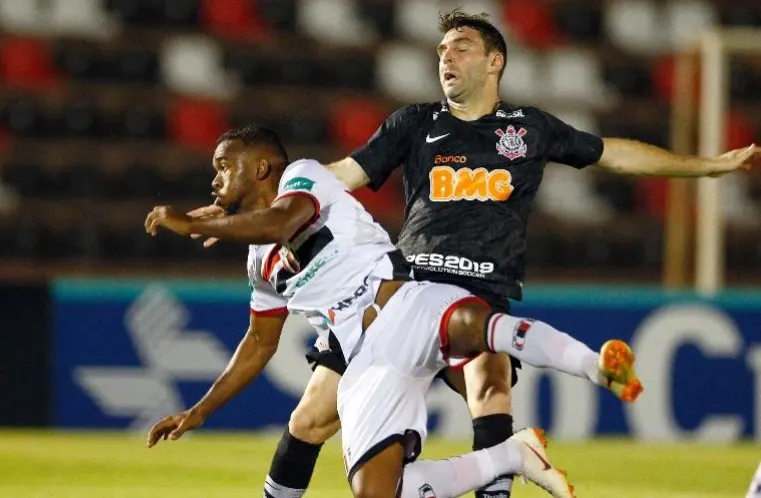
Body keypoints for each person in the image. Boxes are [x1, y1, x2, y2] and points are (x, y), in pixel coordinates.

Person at [239, 9, 759, 498]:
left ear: (495, 61)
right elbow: (338, 178)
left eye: (461, 47)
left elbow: (615, 154)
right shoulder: (415, 123)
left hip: (481, 289)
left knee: (489, 389)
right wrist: (256, 213)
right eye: (441, 49)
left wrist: (705, 168)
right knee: (310, 418)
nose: (446, 57)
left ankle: (510, 460)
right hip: (405, 291)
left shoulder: (529, 129)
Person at [143, 125, 640, 497]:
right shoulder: (260, 263)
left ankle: (595, 365)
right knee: (377, 491)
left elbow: (282, 219)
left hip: (401, 300)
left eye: (222, 166)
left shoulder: (304, 176)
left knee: (473, 324)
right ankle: (509, 457)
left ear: (259, 168)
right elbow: (258, 343)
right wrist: (199, 411)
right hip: (365, 359)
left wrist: (187, 225)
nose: (213, 180)